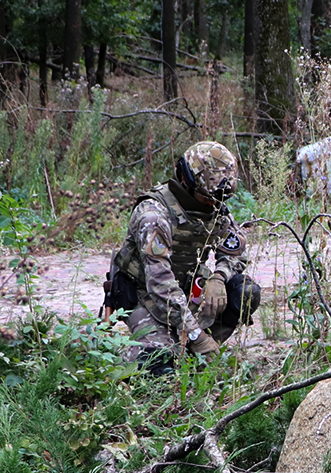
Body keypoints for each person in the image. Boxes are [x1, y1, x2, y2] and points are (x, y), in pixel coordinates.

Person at [105, 141, 262, 374]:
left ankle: (197, 349)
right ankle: (174, 346)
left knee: (245, 292)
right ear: (187, 182)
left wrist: (219, 277)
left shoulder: (214, 204)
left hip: (186, 292)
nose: (214, 205)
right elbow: (160, 284)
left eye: (218, 201)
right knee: (158, 366)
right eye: (207, 200)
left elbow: (235, 250)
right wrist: (195, 334)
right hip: (143, 296)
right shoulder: (154, 215)